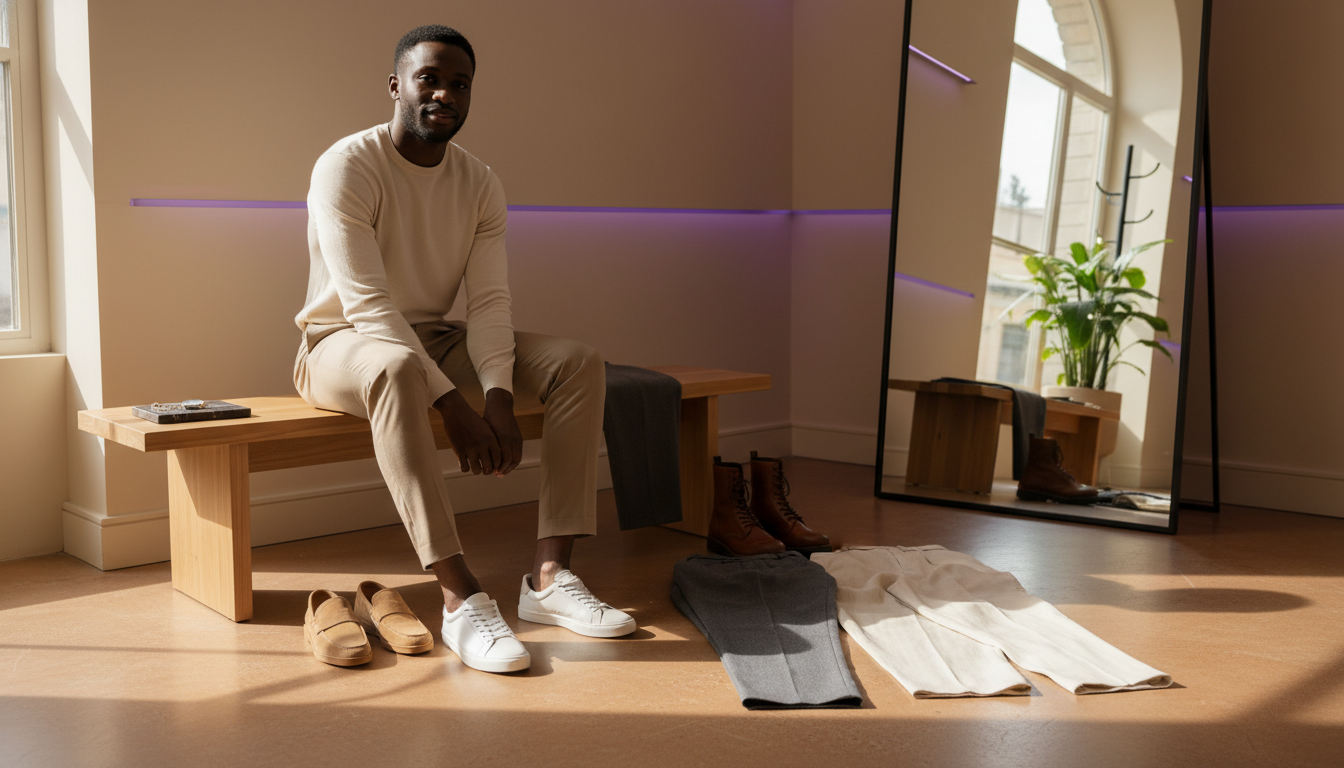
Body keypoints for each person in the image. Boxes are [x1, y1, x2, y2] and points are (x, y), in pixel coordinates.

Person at [293, 24, 634, 674]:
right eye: (429, 78)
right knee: (394, 364)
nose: (444, 93)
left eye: (459, 84)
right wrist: (455, 408)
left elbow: (489, 304)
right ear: (397, 85)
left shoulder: (479, 182)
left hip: (435, 337)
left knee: (578, 360)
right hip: (339, 342)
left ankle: (549, 579)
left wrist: (499, 397)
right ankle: (459, 596)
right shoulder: (346, 166)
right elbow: (367, 307)